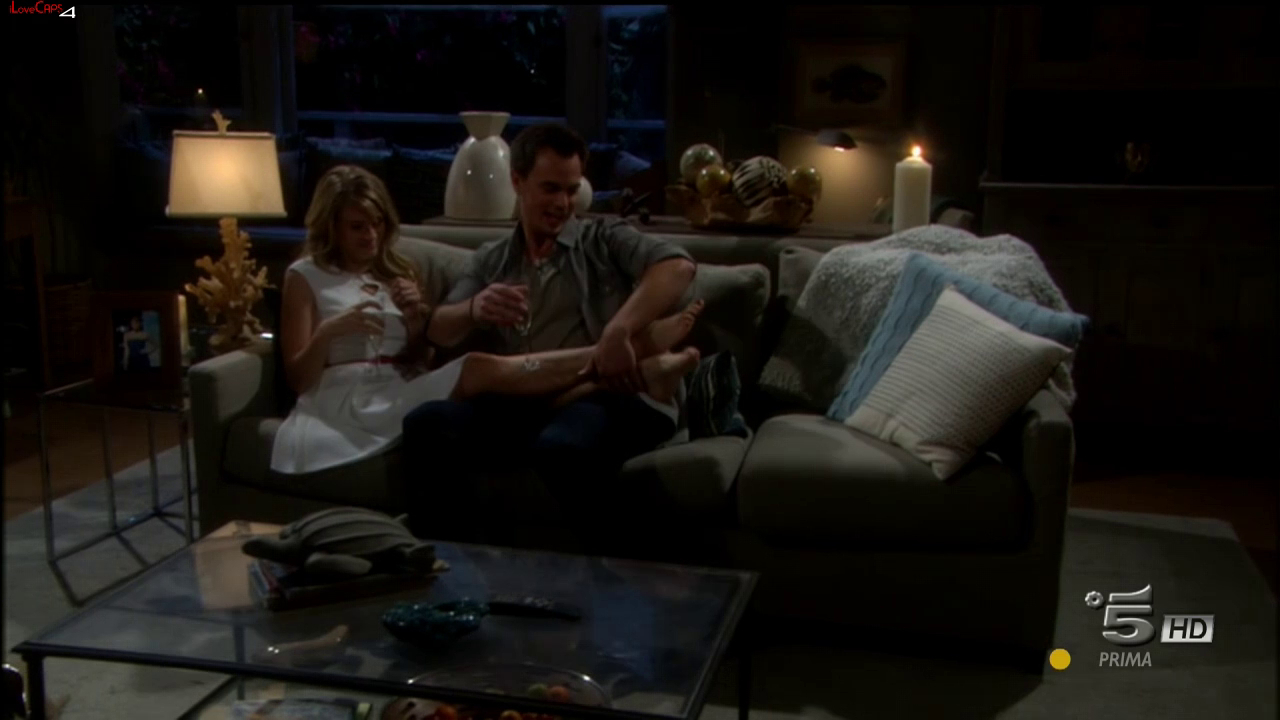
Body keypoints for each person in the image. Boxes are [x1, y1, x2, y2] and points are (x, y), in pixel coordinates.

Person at [270, 164, 703, 475]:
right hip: (344, 398)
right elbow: (298, 378)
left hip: (395, 389)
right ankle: (635, 353)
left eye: (377, 224)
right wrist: (331, 330)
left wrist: (414, 318)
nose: (371, 236)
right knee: (473, 370)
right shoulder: (306, 275)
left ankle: (614, 368)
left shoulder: (395, 272)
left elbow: (420, 358)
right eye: (357, 227)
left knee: (506, 393)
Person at [402, 123, 699, 551]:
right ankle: (451, 567)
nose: (562, 203)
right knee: (426, 424)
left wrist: (619, 329)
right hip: (523, 401)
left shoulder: (603, 238)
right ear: (517, 182)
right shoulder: (493, 259)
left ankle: (626, 571)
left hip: (604, 396)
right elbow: (437, 329)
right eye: (550, 189)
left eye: (571, 190)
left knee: (561, 447)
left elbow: (677, 266)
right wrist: (474, 308)